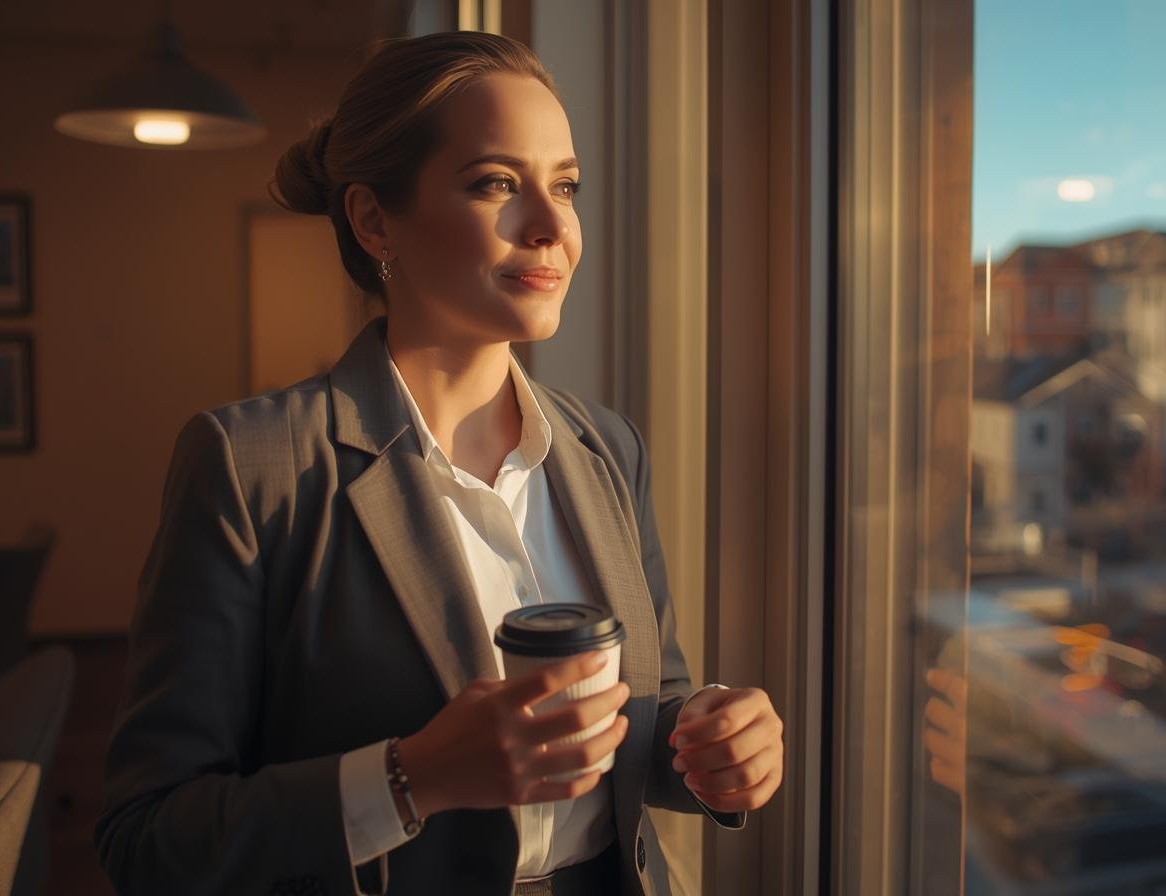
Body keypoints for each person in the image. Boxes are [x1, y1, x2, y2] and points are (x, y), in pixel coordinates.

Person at [95, 31, 784, 896]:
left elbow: (647, 708)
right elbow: (146, 840)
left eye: (564, 186)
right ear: (374, 218)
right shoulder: (249, 466)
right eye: (496, 183)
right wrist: (411, 779)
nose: (551, 226)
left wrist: (709, 740)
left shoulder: (608, 448)